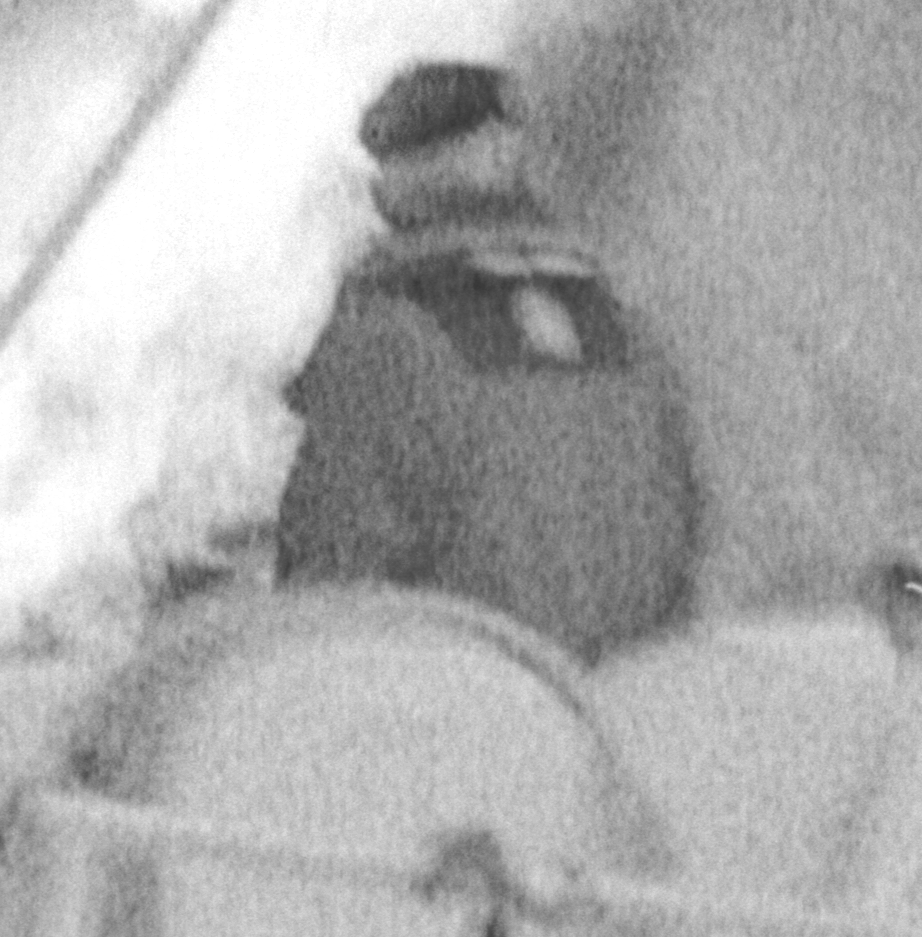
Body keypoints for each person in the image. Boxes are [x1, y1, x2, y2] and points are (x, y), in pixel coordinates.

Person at [274, 56, 703, 664]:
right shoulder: (622, 326)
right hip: (615, 720)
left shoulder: (386, 336)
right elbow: (676, 539)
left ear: (397, 184)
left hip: (465, 724)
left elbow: (333, 595)